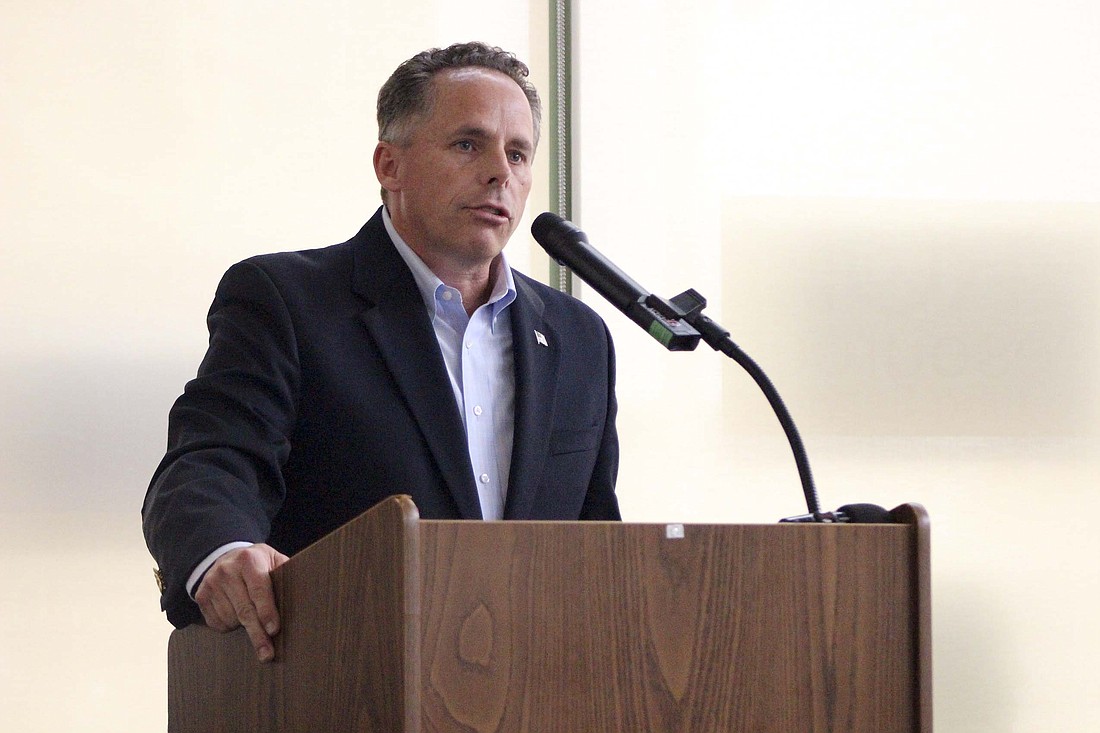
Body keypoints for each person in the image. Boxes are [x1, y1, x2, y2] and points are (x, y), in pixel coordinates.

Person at [141, 42, 621, 662]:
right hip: (343, 676)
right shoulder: (289, 301)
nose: (501, 172)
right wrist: (226, 552)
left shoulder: (579, 338)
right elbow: (212, 460)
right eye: (468, 144)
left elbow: (598, 541)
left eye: (519, 153)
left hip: (534, 687)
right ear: (389, 165)